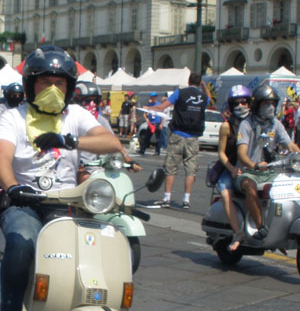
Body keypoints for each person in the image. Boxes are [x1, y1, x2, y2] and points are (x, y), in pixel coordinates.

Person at [0, 45, 119, 311]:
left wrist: (69, 140)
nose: (52, 89)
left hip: (66, 204)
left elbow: (111, 142)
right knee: (21, 242)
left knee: (94, 253)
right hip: (25, 203)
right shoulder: (13, 117)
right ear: (30, 85)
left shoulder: (75, 115)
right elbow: (1, 160)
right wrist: (12, 188)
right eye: (45, 83)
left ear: (69, 87)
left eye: (59, 84)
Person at [236, 84, 300, 240]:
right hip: (248, 173)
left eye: (272, 103)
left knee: (288, 188)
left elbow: (289, 143)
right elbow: (241, 153)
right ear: (257, 104)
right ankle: (260, 227)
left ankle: (282, 226)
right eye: (266, 103)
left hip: (269, 173)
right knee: (250, 186)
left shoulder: (275, 124)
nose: (270, 107)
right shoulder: (246, 124)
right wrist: (254, 165)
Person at [146, 72, 210, 210]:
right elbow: (209, 100)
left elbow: (163, 107)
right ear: (200, 83)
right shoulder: (203, 97)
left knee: (171, 168)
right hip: (193, 137)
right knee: (190, 169)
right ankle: (186, 199)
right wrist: (204, 87)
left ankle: (167, 198)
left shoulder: (180, 93)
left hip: (177, 134)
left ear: (188, 81)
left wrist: (149, 108)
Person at [74, 81, 140, 180]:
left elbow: (115, 144)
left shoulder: (101, 121)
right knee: (86, 178)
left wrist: (129, 161)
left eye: (95, 101)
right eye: (87, 100)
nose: (91, 104)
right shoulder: (69, 120)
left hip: (97, 169)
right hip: (77, 170)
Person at [217, 85, 251, 251]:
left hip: (253, 169)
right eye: (236, 103)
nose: (240, 106)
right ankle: (238, 233)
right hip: (231, 170)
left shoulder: (254, 123)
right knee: (225, 193)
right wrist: (231, 168)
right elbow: (221, 153)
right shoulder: (226, 126)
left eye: (244, 102)